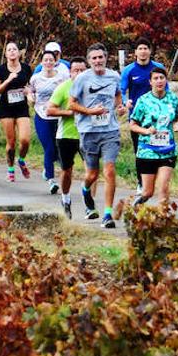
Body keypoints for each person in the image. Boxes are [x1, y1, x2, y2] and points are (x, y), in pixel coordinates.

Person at [69, 43, 125, 229]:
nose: (98, 61)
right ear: (89, 61)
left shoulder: (114, 76)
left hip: (110, 131)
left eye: (100, 57)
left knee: (109, 170)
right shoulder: (82, 79)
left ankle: (107, 214)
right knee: (92, 174)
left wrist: (120, 106)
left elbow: (117, 95)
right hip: (89, 131)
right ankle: (85, 190)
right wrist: (90, 111)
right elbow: (72, 105)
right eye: (94, 58)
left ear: (106, 58)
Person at [128, 67, 178, 206]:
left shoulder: (173, 99)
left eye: (162, 78)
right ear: (150, 82)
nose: (159, 81)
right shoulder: (143, 100)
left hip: (167, 150)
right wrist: (145, 131)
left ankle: (162, 223)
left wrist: (177, 124)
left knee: (163, 187)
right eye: (155, 79)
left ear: (166, 80)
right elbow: (132, 124)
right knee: (148, 192)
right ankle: (136, 206)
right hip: (147, 151)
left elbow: (177, 117)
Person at [120, 37, 164, 193]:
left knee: (159, 147)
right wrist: (127, 101)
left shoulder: (158, 68)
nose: (143, 51)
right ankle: (140, 182)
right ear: (135, 52)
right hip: (137, 118)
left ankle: (157, 179)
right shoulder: (129, 70)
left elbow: (167, 88)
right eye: (140, 48)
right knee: (140, 150)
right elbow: (122, 90)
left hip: (158, 117)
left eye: (146, 48)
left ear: (150, 51)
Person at [47, 57, 88, 219]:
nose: (79, 73)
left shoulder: (92, 87)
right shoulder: (63, 88)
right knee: (67, 171)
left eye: (82, 70)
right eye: (76, 70)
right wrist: (68, 113)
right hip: (66, 135)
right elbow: (49, 110)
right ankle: (65, 198)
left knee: (91, 171)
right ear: (70, 72)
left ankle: (89, 205)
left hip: (87, 134)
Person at [0, 42, 33, 182]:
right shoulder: (1, 70)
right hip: (6, 108)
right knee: (11, 141)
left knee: (25, 140)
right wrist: (8, 80)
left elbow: (30, 86)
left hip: (21, 107)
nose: (12, 52)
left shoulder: (27, 68)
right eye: (9, 50)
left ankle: (21, 160)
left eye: (14, 49)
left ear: (18, 52)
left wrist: (29, 92)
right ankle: (10, 168)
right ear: (6, 54)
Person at [29, 50, 68, 193]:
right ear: (41, 62)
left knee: (57, 148)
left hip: (58, 117)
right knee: (49, 148)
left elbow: (67, 94)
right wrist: (30, 98)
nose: (48, 63)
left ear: (55, 62)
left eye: (51, 60)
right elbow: (30, 92)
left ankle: (48, 167)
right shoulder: (36, 78)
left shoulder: (62, 78)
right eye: (45, 60)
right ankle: (51, 180)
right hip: (42, 116)